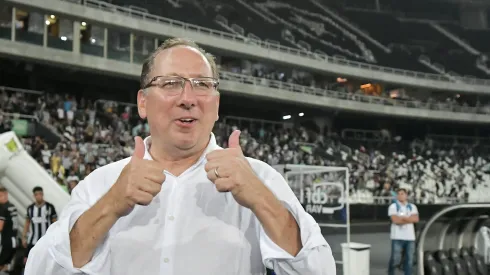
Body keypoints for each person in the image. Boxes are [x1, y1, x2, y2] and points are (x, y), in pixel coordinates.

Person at [24, 38, 336, 275]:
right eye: (171, 84)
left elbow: (320, 269)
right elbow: (40, 270)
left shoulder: (259, 178)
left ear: (216, 103)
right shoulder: (102, 184)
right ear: (143, 102)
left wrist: (263, 201)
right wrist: (110, 205)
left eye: (202, 85)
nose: (188, 99)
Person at [22, 186, 57, 265]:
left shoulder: (50, 207)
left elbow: (55, 223)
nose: (39, 196)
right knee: (27, 262)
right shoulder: (30, 208)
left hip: (46, 240)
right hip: (33, 240)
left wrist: (55, 237)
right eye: (36, 194)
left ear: (43, 194)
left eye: (40, 194)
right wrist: (24, 237)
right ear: (34, 196)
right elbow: (27, 223)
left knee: (45, 262)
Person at [387, 188, 419, 275]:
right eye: (399, 194)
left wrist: (403, 218)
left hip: (410, 237)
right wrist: (409, 219)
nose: (400, 195)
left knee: (409, 260)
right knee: (395, 259)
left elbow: (416, 219)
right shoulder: (393, 207)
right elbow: (395, 220)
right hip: (397, 237)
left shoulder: (412, 207)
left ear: (406, 195)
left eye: (402, 194)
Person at [0, 187, 18, 272]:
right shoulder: (12, 206)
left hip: (6, 242)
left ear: (5, 195)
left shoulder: (2, 208)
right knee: (5, 266)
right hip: (14, 241)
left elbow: (0, 227)